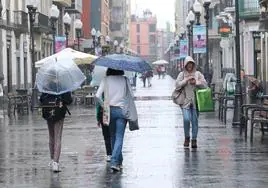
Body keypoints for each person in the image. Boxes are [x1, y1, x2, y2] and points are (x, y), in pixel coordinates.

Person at [95, 68, 129, 172]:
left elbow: (97, 96)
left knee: (113, 136)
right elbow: (130, 96)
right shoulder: (125, 79)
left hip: (109, 111)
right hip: (122, 111)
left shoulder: (106, 79)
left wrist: (105, 106)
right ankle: (114, 161)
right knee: (119, 137)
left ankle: (119, 161)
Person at [40, 79, 73, 173]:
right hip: (59, 112)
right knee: (58, 137)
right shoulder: (63, 85)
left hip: (48, 112)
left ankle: (51, 159)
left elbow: (41, 99)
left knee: (51, 136)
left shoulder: (47, 84)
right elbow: (69, 100)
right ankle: (55, 163)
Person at [175, 56, 207, 148]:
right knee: (186, 119)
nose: (189, 66)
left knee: (194, 121)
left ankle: (194, 139)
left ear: (193, 65)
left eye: (191, 64)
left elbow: (205, 85)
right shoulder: (181, 74)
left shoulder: (198, 74)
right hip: (185, 102)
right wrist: (185, 81)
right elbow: (177, 85)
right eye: (188, 64)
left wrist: (196, 82)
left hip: (196, 102)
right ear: (185, 65)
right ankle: (186, 137)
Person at [96, 93, 112, 162]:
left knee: (106, 136)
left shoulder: (102, 88)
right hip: (113, 111)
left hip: (104, 113)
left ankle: (109, 154)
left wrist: (98, 119)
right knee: (113, 134)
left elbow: (98, 106)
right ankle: (114, 153)